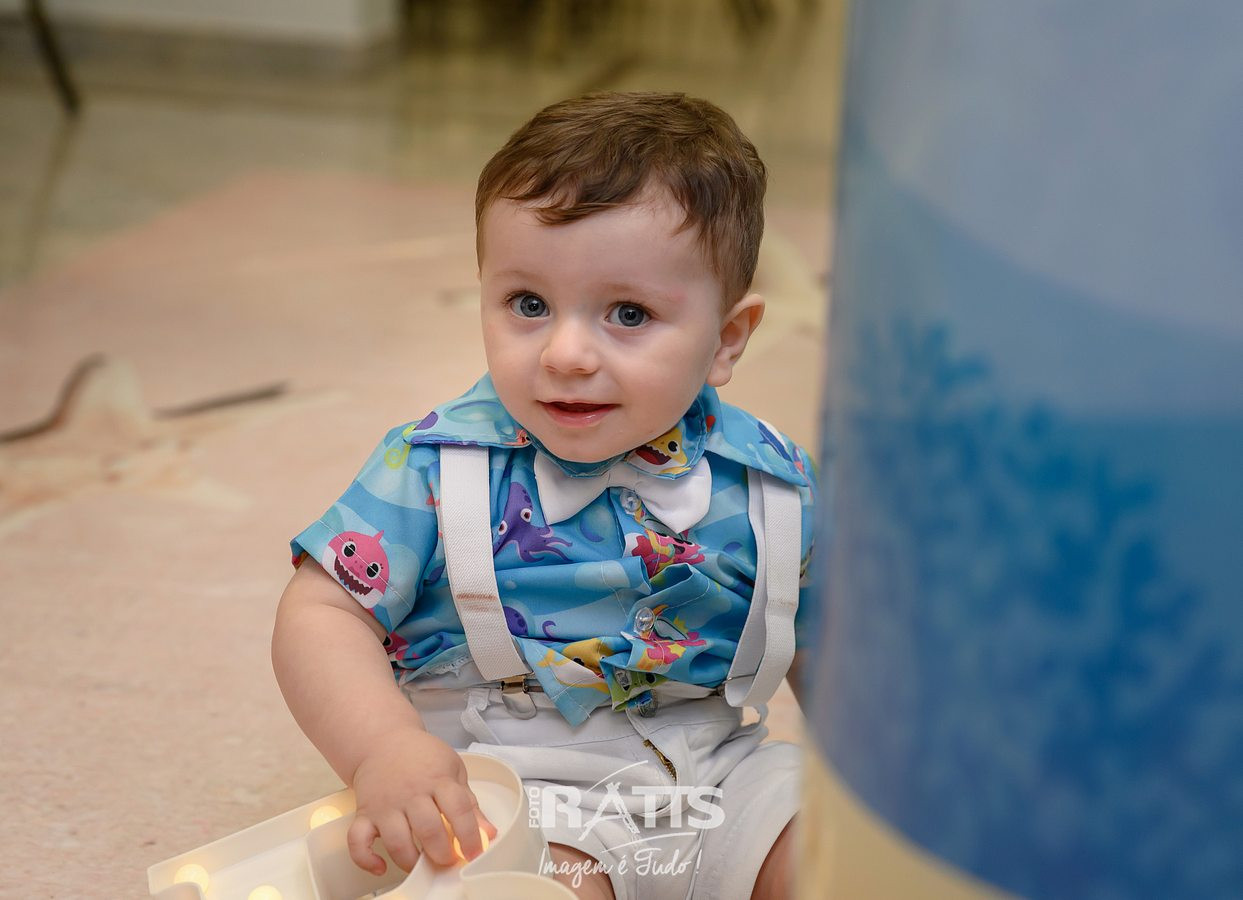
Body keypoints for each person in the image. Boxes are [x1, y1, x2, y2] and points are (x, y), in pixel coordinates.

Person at [271, 91, 816, 900]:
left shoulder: (771, 482)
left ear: (725, 339)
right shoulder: (435, 467)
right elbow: (321, 613)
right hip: (514, 781)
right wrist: (382, 749)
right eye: (528, 305)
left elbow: (836, 640)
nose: (564, 354)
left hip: (721, 772)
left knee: (839, 857)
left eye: (627, 313)